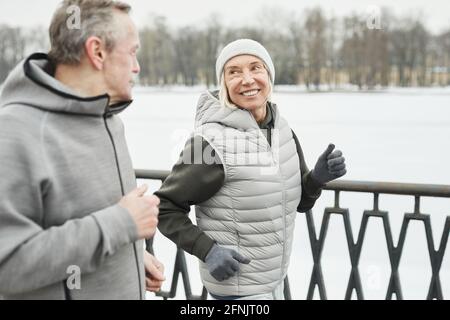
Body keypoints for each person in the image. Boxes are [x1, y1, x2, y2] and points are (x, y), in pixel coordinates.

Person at [155, 39, 347, 300]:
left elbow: (297, 203)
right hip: (235, 291)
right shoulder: (211, 142)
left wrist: (315, 180)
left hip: (274, 283)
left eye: (256, 68)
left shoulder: (282, 130)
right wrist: (208, 250)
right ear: (224, 83)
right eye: (234, 72)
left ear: (269, 75)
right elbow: (164, 207)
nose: (247, 80)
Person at [0, 0, 164, 300]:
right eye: (133, 52)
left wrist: (129, 259)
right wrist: (121, 225)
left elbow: (99, 228)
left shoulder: (110, 119)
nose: (137, 66)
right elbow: (6, 265)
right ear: (97, 51)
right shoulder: (15, 131)